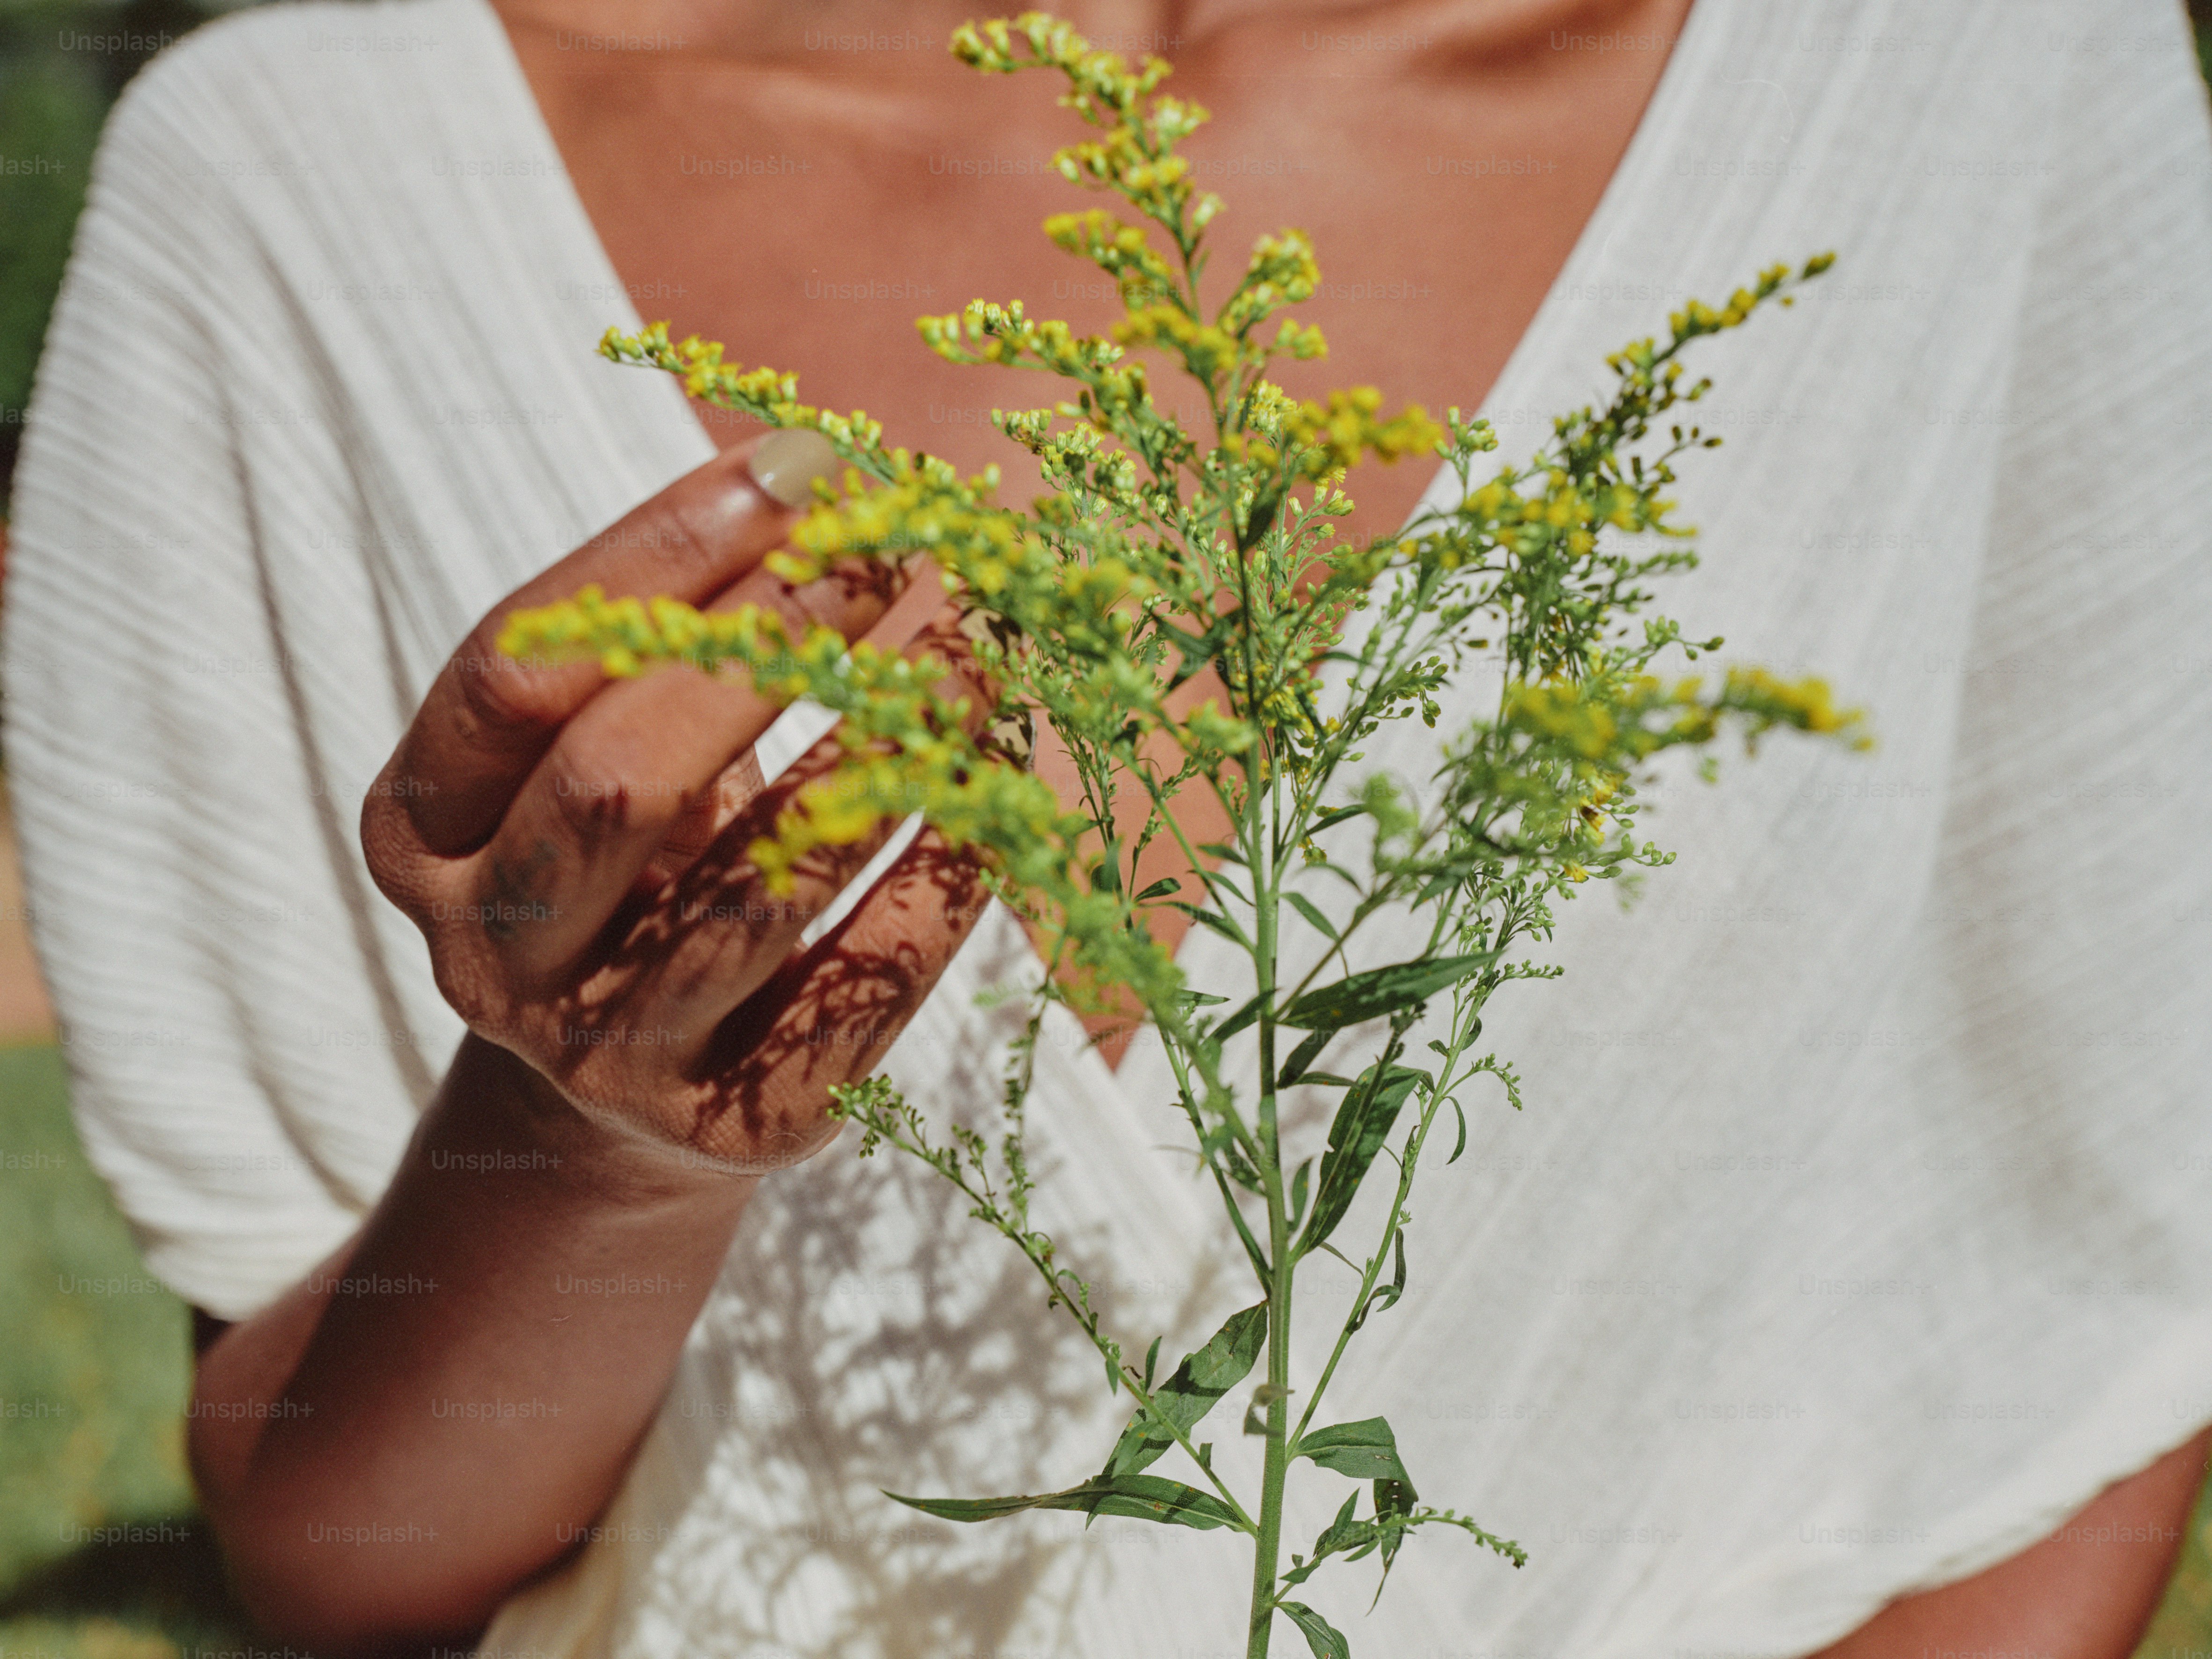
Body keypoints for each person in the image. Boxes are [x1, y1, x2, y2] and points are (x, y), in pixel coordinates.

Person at [7, 0, 2212, 1655]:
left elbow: (2081, 1279)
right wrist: (593, 1139)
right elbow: (335, 1550)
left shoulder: (1968, 79)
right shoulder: (307, 183)